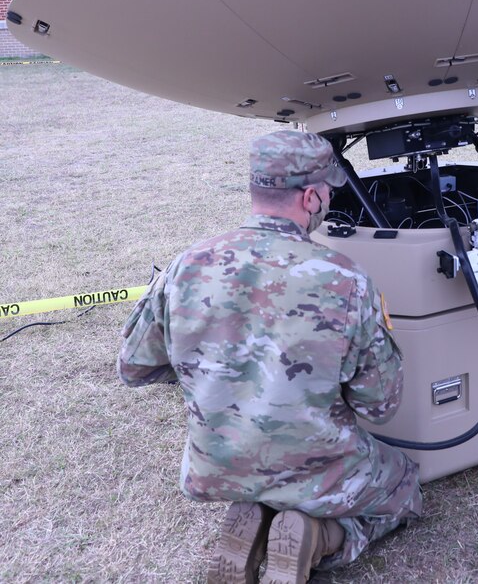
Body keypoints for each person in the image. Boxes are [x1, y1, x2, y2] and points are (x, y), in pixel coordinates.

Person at [117, 130, 421, 584]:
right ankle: (320, 537)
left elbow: (134, 367)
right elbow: (380, 403)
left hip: (215, 465)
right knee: (406, 487)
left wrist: (210, 371)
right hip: (318, 465)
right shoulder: (345, 280)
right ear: (314, 197)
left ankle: (258, 511)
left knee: (268, 475)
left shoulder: (187, 264)